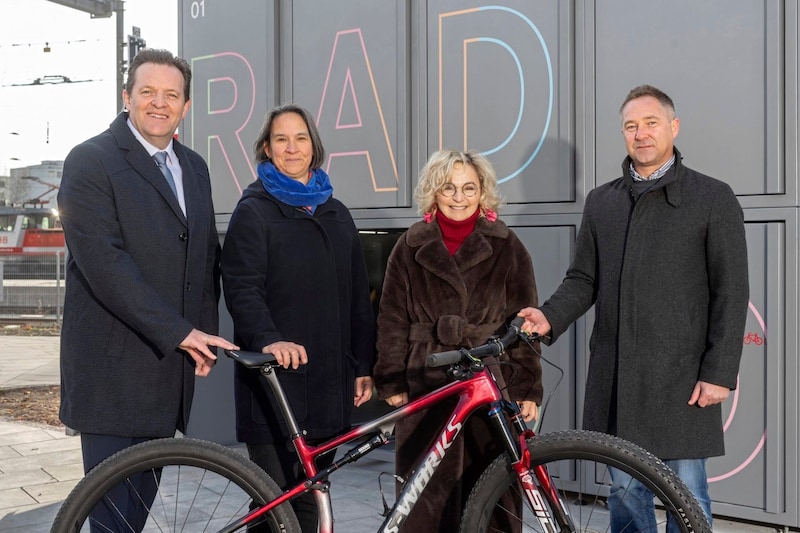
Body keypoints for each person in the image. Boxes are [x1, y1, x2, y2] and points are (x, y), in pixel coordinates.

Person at [518, 84, 749, 532]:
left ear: (673, 127)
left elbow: (732, 291)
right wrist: (550, 316)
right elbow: (583, 279)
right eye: (631, 125)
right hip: (617, 376)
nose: (641, 134)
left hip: (683, 378)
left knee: (688, 493)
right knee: (624, 491)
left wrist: (719, 372)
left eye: (651, 123)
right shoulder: (602, 201)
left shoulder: (713, 197)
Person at [57, 48, 237, 530]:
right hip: (111, 375)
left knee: (137, 516)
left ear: (186, 106)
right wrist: (182, 332)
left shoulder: (194, 167)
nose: (160, 103)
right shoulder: (90, 160)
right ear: (126, 97)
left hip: (167, 370)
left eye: (172, 94)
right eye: (148, 92)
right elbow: (104, 265)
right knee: (112, 519)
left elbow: (203, 259)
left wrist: (201, 336)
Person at [220, 103, 376, 533]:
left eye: (300, 138)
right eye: (281, 139)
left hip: (328, 382)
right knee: (275, 506)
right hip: (274, 382)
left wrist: (363, 366)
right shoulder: (253, 210)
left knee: (312, 498)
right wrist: (269, 338)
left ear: (314, 147)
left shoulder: (336, 212)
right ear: (267, 149)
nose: (292, 148)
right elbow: (241, 287)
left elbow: (358, 299)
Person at [374, 149, 543, 531]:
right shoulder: (409, 245)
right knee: (426, 492)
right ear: (434, 191)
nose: (459, 197)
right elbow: (392, 318)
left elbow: (523, 322)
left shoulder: (507, 245)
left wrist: (527, 387)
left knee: (495, 487)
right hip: (426, 376)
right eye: (448, 187)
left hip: (491, 378)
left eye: (469, 187)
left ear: (483, 192)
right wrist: (392, 378)